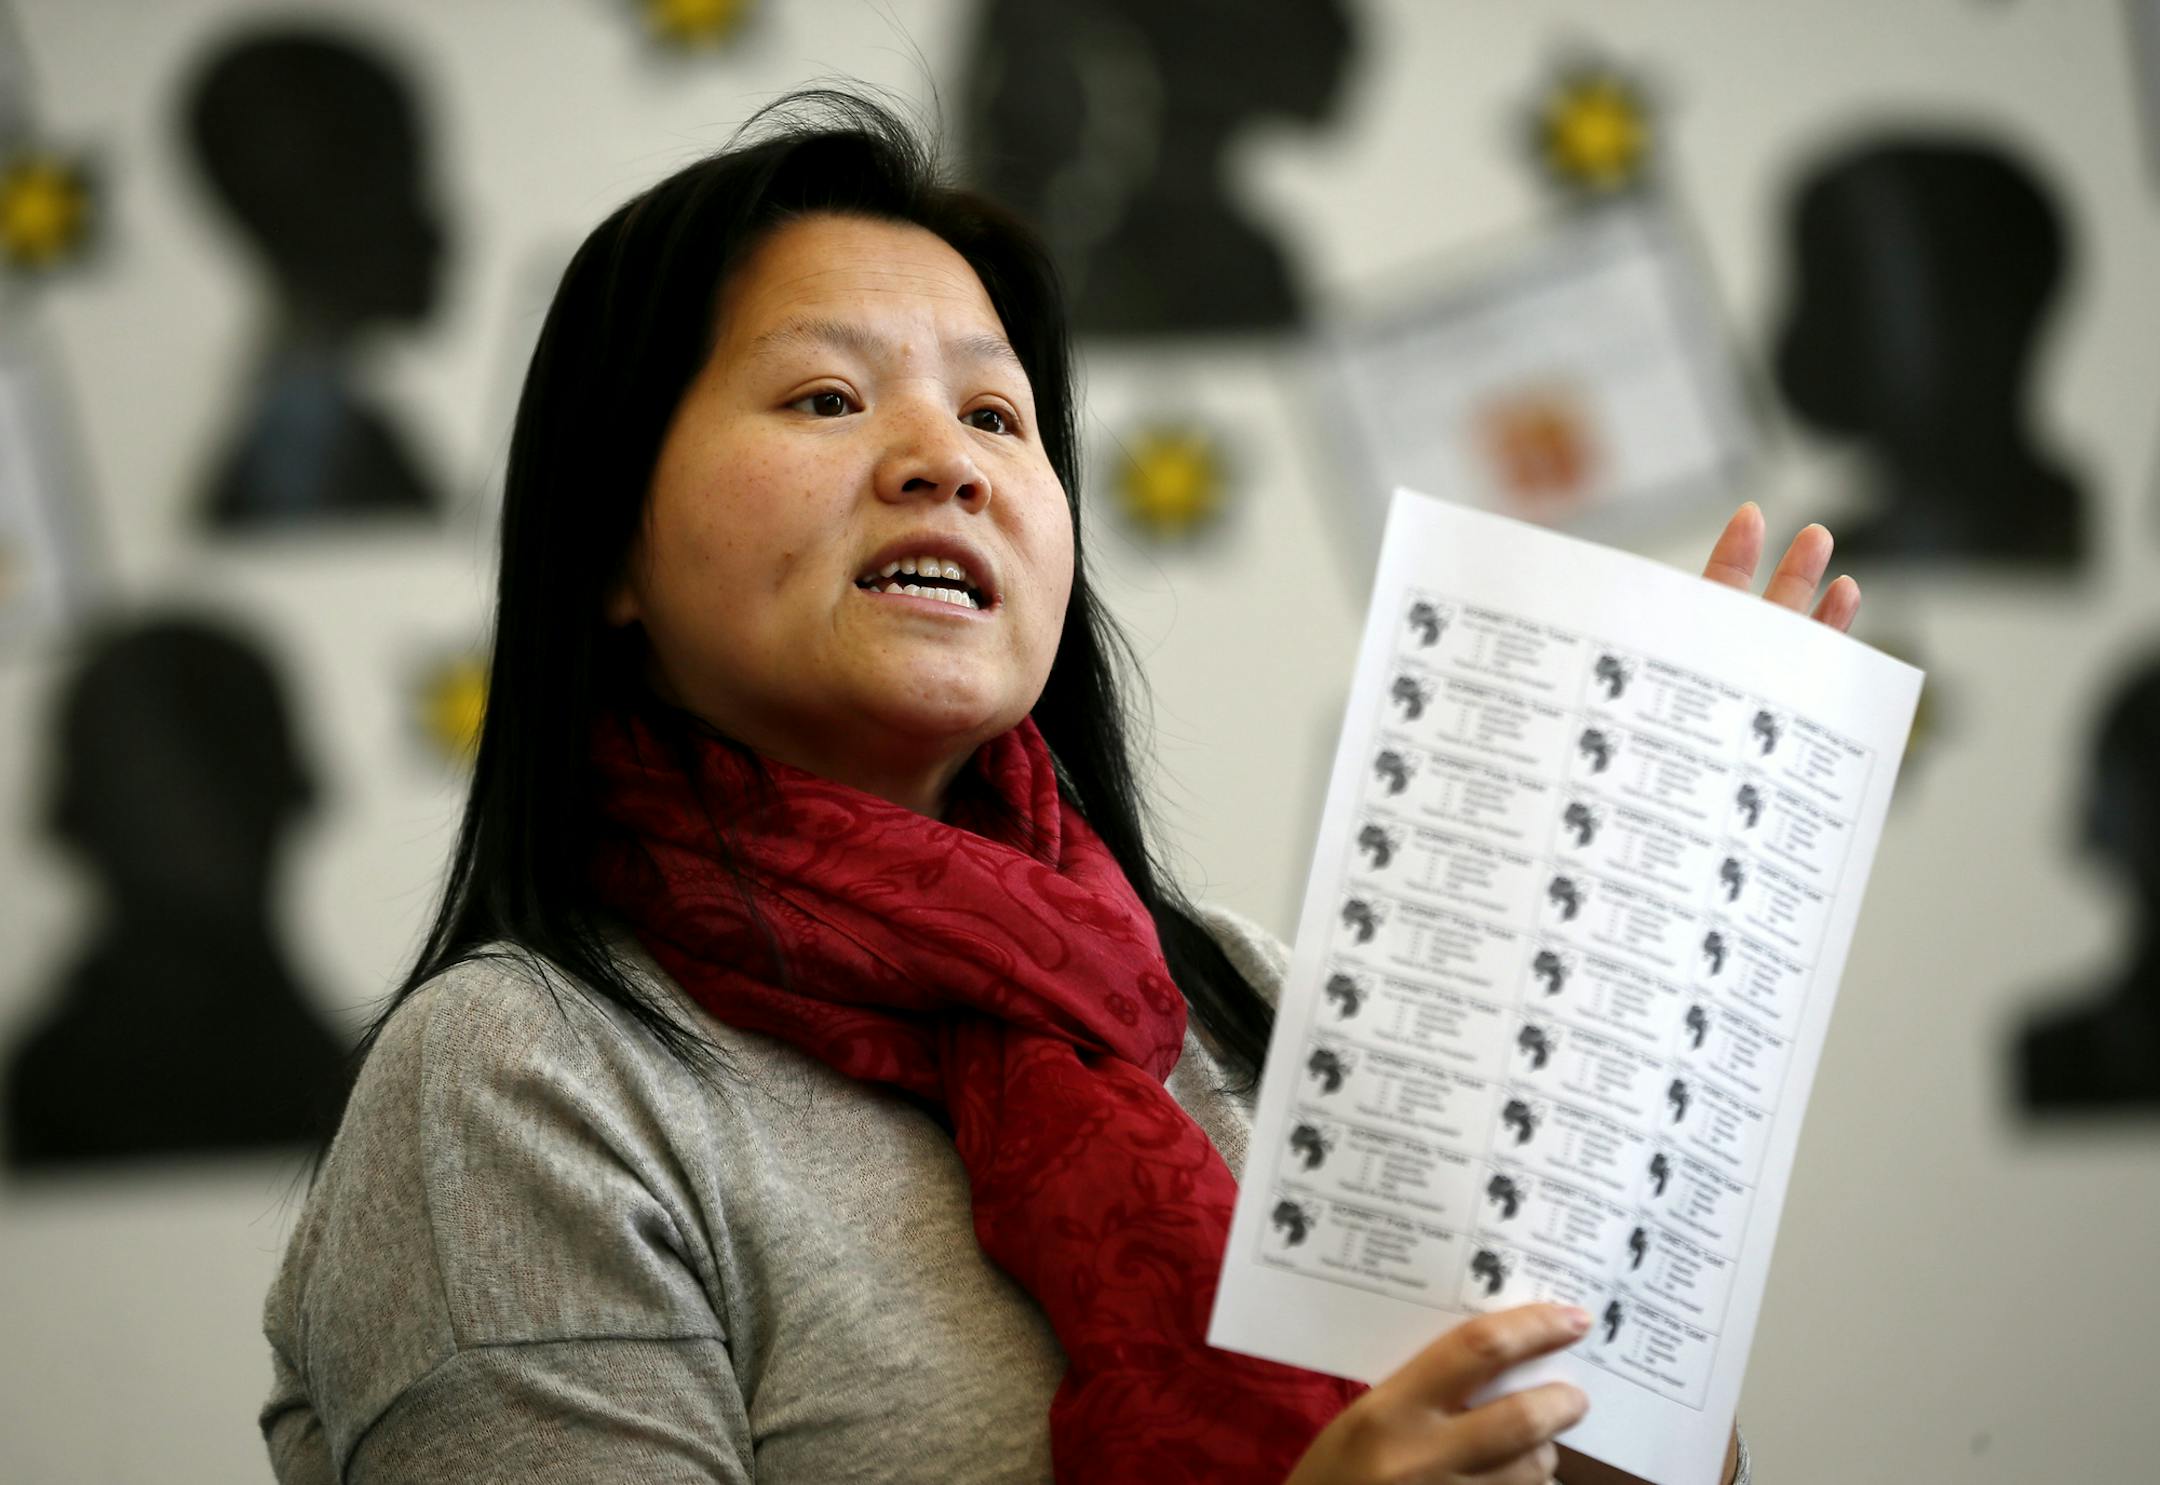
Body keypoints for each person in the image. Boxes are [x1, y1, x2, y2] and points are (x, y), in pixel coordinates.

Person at [259, 91, 1856, 1483]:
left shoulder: (1252, 998)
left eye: (997, 414)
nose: (942, 458)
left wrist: (1621, 1078)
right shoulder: (519, 1078)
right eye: (827, 396)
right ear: (608, 540)